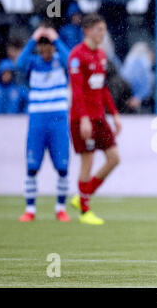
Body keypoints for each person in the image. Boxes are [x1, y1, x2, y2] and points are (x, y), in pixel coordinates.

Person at [68, 14, 121, 225]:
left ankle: (83, 196)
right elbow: (77, 91)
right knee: (87, 162)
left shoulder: (101, 55)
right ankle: (84, 211)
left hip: (99, 117)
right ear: (87, 30)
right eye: (99, 29)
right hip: (83, 118)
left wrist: (115, 114)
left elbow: (103, 87)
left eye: (104, 29)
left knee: (114, 158)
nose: (103, 33)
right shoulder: (76, 56)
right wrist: (83, 119)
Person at [15, 26, 71, 222]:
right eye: (42, 45)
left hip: (58, 121)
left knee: (62, 167)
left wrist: (56, 39)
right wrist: (32, 39)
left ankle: (60, 208)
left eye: (48, 46)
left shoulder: (60, 62)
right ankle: (30, 209)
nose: (45, 50)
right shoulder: (33, 63)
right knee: (32, 166)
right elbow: (19, 65)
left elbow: (71, 61)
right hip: (37, 122)